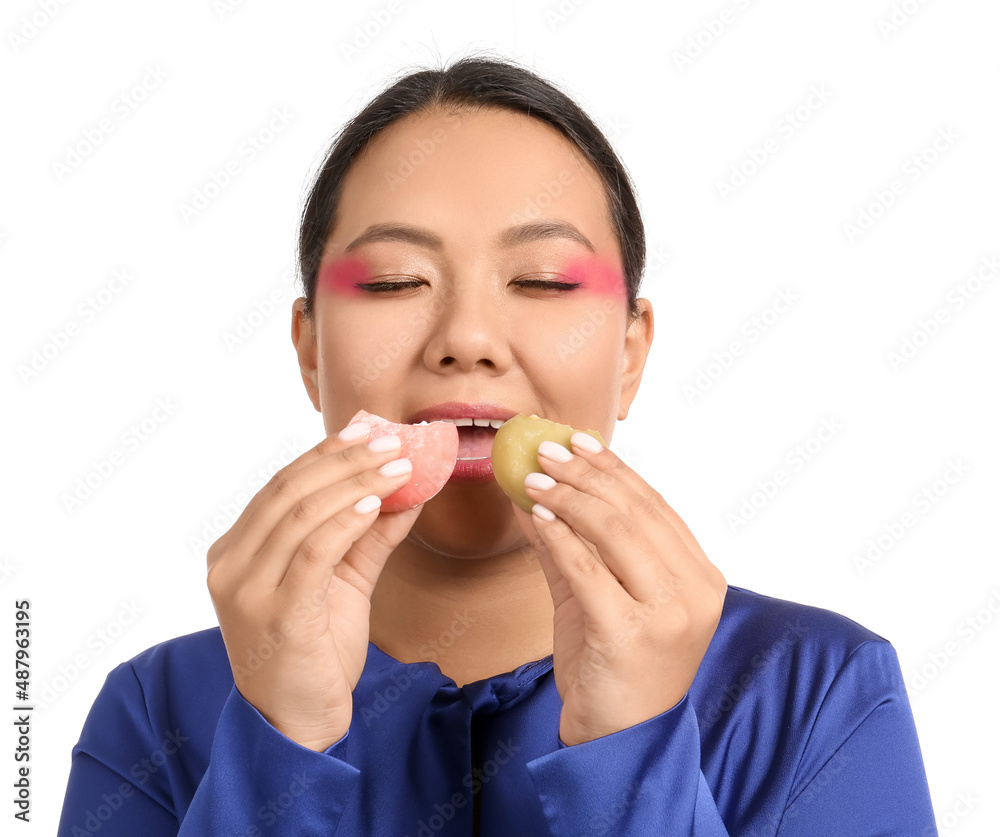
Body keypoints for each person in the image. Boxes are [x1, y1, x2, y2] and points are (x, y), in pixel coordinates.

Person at [57, 54, 938, 836]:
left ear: (631, 354)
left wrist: (632, 756)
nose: (467, 336)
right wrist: (274, 750)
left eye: (544, 280)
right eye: (398, 280)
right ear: (309, 352)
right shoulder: (156, 711)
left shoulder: (818, 692)